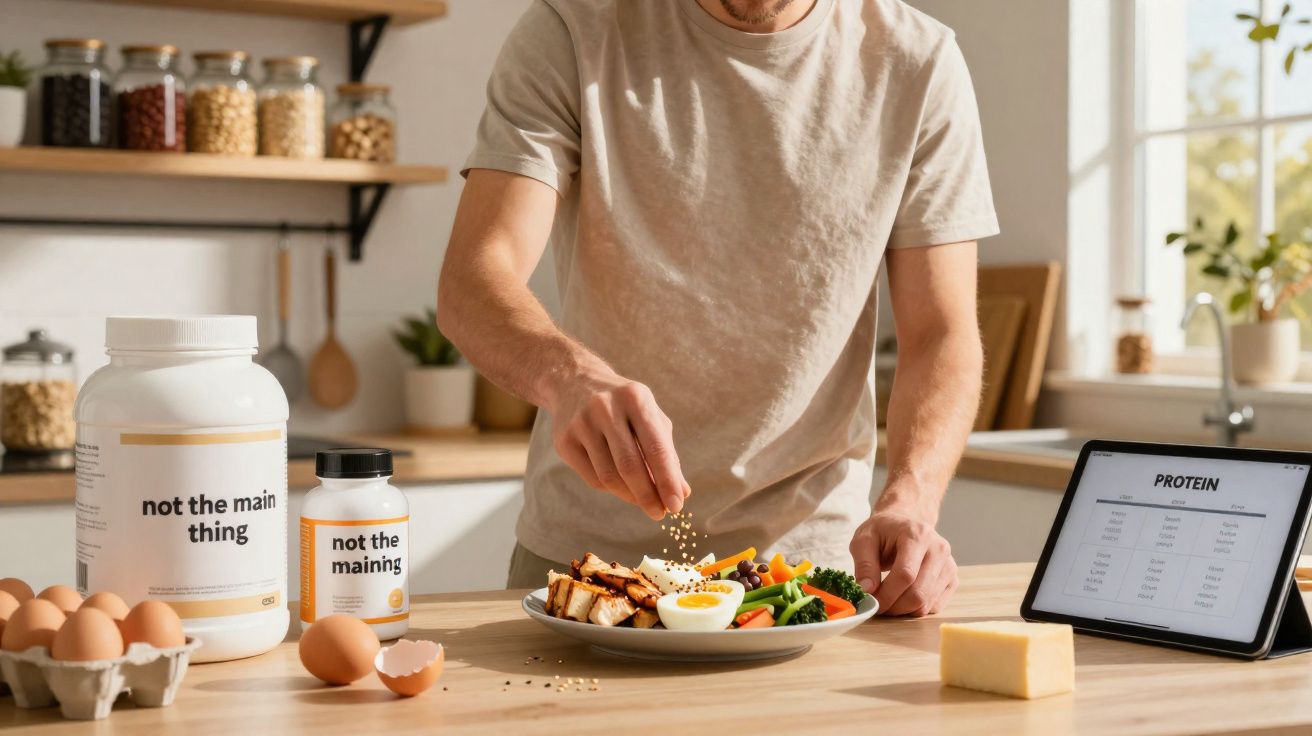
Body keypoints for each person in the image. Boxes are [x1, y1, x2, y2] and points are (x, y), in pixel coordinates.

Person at [438, 0, 997, 617]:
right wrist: (569, 376)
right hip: (591, 570)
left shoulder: (918, 60)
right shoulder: (574, 28)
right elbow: (472, 283)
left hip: (806, 577)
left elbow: (940, 333)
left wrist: (911, 498)